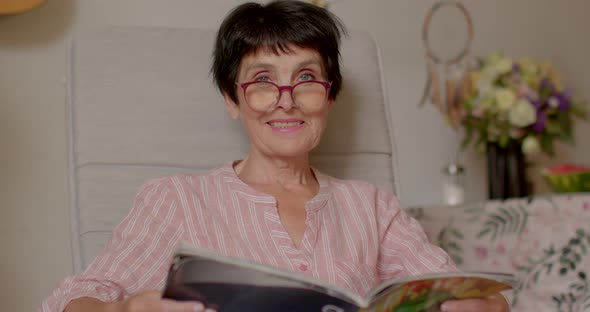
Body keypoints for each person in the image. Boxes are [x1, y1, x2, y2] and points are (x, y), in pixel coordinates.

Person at [40, 1, 509, 311]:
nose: (286, 99)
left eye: (305, 78)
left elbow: (466, 292)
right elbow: (76, 299)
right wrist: (125, 309)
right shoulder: (176, 198)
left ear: (329, 96)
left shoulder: (372, 207)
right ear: (232, 98)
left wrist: (479, 305)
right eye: (263, 81)